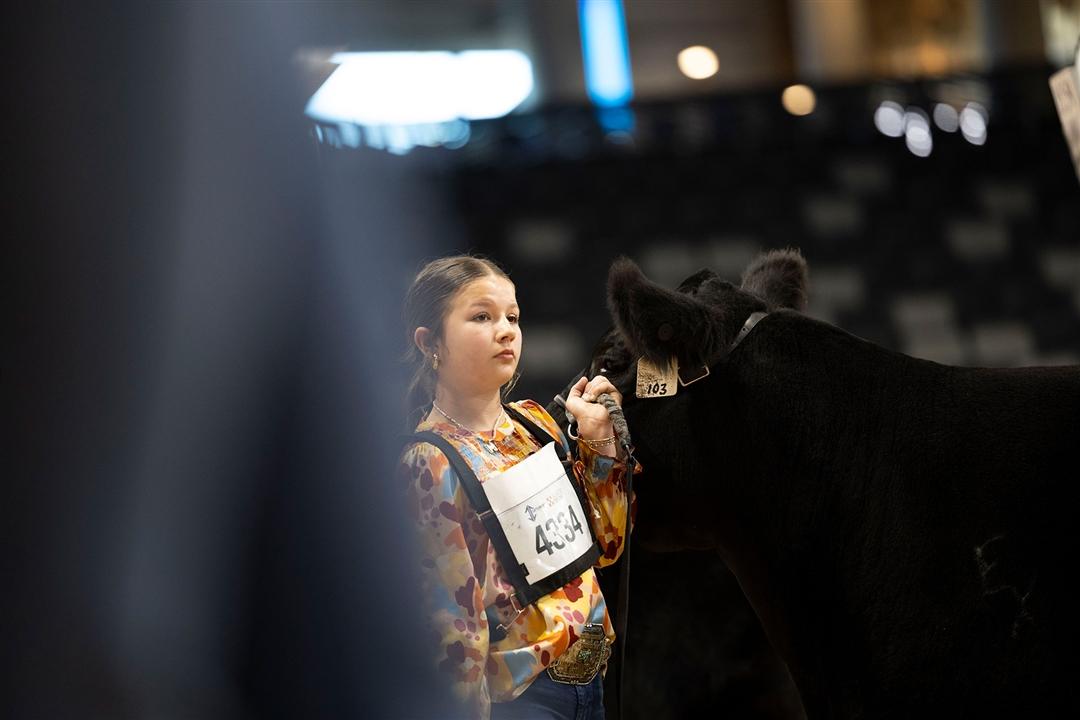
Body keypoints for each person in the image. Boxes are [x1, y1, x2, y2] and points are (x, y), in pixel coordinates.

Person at [397, 255, 636, 720]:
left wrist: (599, 442)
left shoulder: (536, 424)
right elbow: (456, 630)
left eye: (513, 317)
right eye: (481, 316)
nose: (505, 330)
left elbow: (606, 546)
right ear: (430, 343)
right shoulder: (429, 462)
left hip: (593, 684)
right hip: (523, 700)